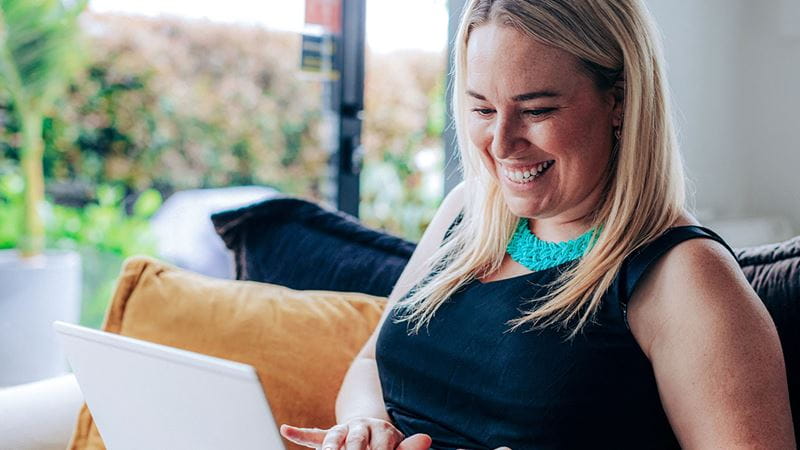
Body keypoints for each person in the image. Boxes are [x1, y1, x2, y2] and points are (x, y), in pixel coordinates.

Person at [281, 0, 795, 448]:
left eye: (537, 110)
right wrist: (365, 423)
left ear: (619, 101)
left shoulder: (684, 276)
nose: (501, 145)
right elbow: (371, 364)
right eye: (482, 108)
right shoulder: (468, 211)